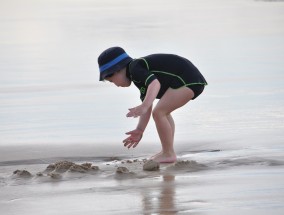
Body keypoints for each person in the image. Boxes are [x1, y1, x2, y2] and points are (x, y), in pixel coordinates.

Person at [98, 47, 207, 163]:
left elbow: (154, 84)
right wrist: (140, 130)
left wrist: (144, 106)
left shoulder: (135, 67)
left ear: (118, 69)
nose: (115, 84)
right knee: (163, 112)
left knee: (159, 113)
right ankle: (168, 150)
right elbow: (147, 106)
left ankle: (168, 153)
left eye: (111, 80)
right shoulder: (138, 77)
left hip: (187, 80)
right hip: (190, 80)